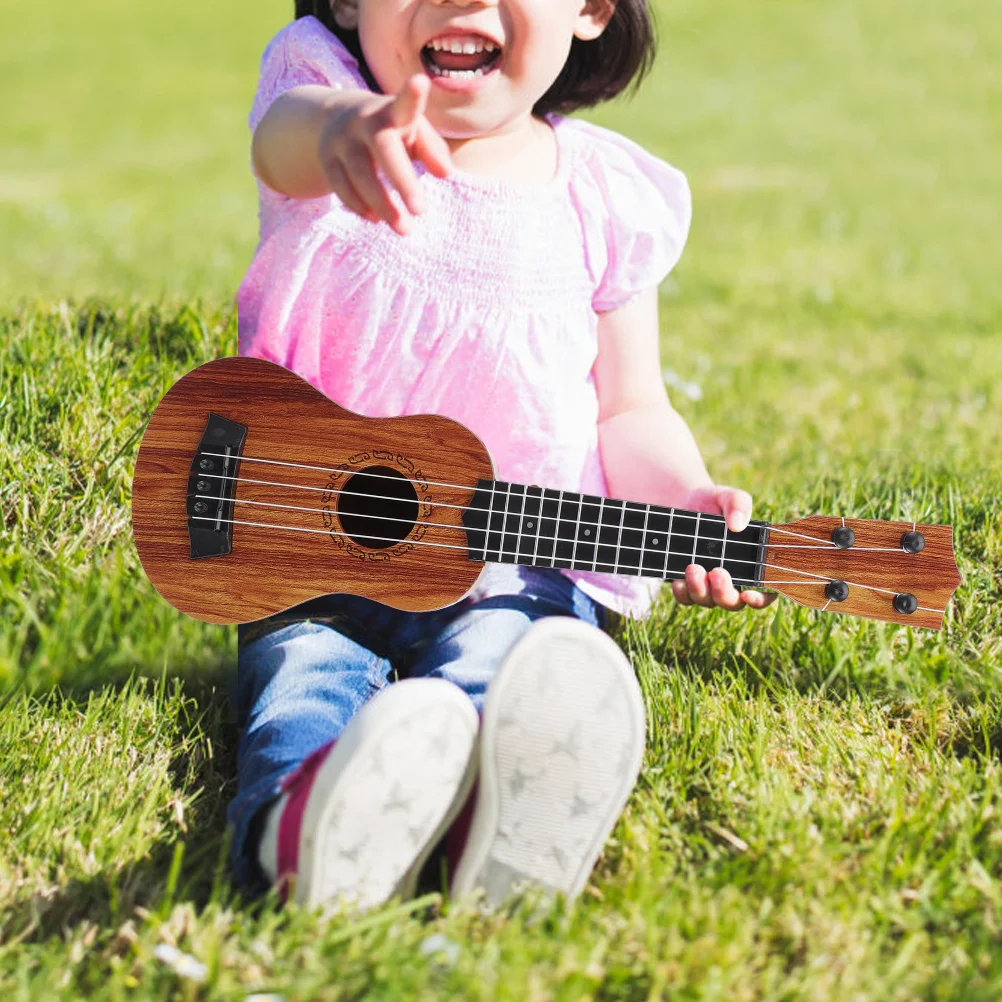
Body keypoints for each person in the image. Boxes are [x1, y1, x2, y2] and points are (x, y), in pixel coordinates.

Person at [229, 0, 775, 912]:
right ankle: (299, 832)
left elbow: (631, 406)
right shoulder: (321, 96)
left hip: (518, 562)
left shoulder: (601, 197)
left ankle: (499, 817)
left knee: (515, 666)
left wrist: (682, 495)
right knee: (301, 690)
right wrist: (342, 132)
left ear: (591, 9)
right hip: (310, 549)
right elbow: (282, 140)